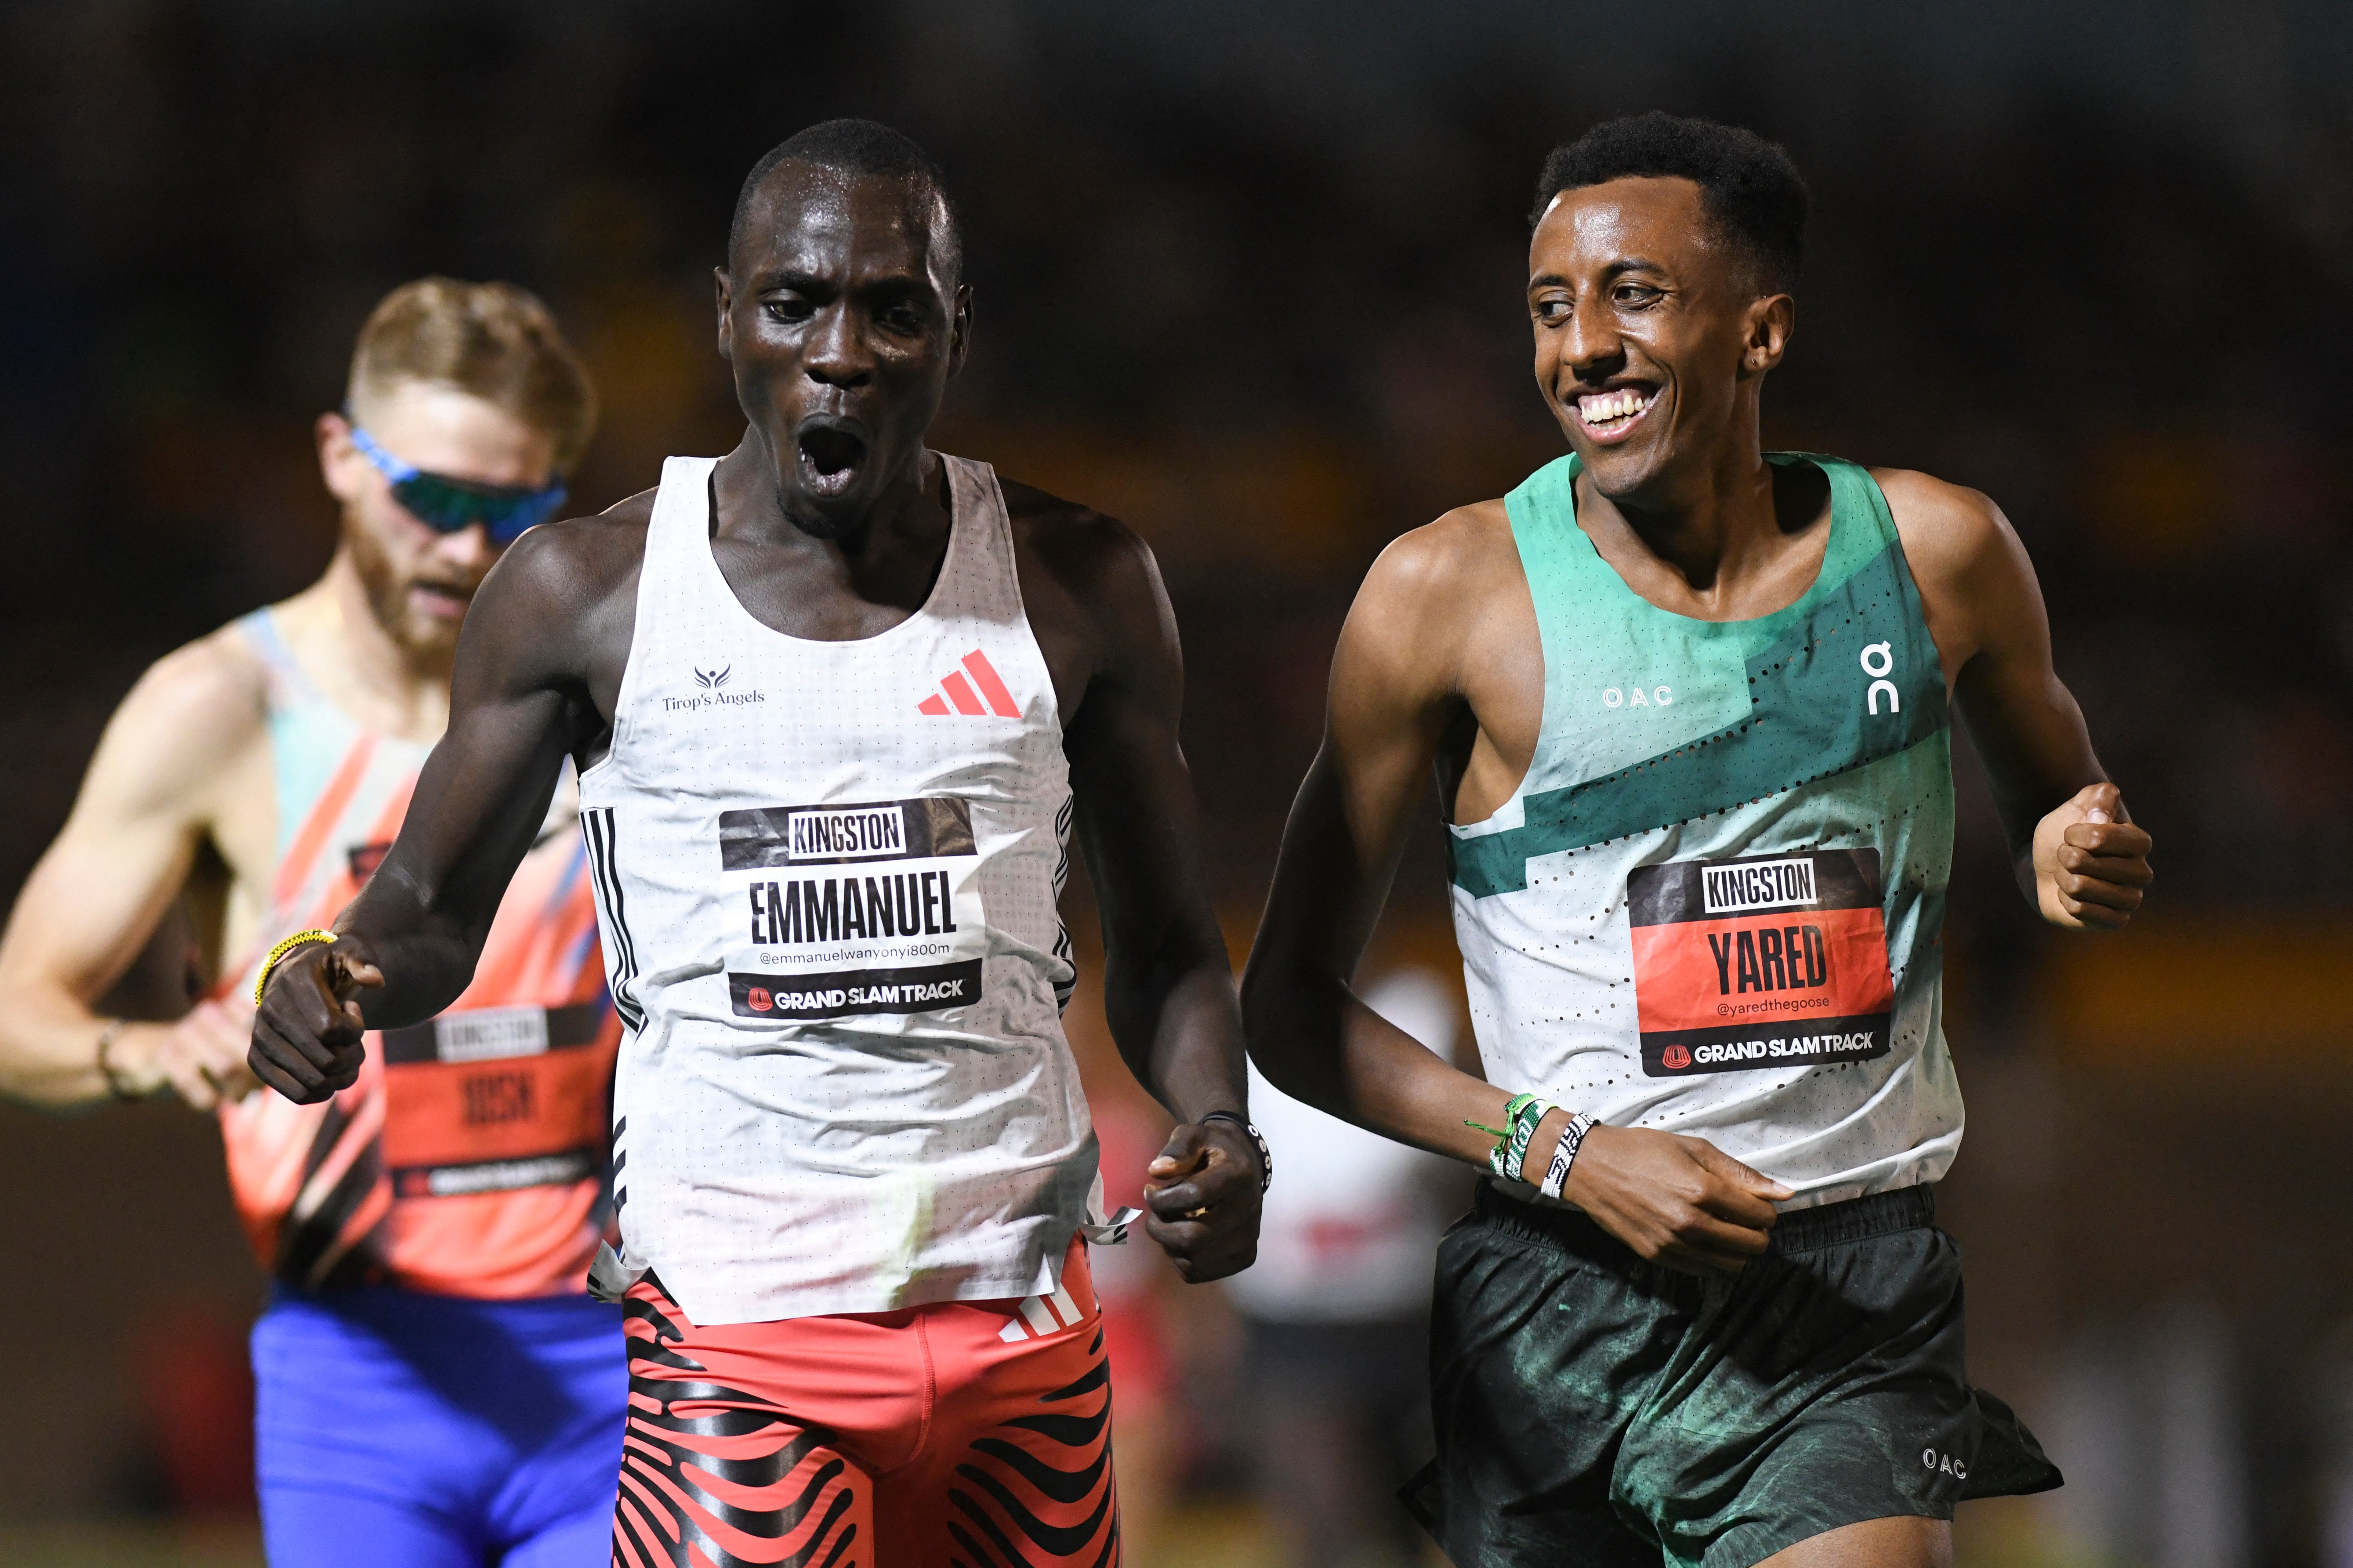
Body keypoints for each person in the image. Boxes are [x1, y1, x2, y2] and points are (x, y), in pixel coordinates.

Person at [249, 119, 1266, 1567]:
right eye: (794, 302)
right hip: (738, 1340)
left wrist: (1215, 1124)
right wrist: (321, 972)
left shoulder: (1081, 582)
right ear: (722, 313)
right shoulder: (582, 596)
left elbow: (1167, 950)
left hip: (1026, 1323)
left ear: (954, 330)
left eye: (892, 308)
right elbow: (419, 909)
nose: (839, 351)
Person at [1240, 111, 2156, 1568]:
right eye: (1551, 308)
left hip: (1846, 1291)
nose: (1581, 345)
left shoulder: (1937, 556)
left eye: (1635, 294)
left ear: (1761, 331)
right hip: (1555, 1287)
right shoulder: (1442, 596)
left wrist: (2069, 849)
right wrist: (1560, 1152)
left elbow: (2069, 801)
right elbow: (1284, 1010)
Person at [0, 277, 623, 1566]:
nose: (462, 549)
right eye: (431, 499)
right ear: (340, 458)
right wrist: (145, 1053)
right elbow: (18, 1013)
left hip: (616, 1361)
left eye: (509, 509)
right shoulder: (225, 710)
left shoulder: (610, 710)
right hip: (362, 1382)